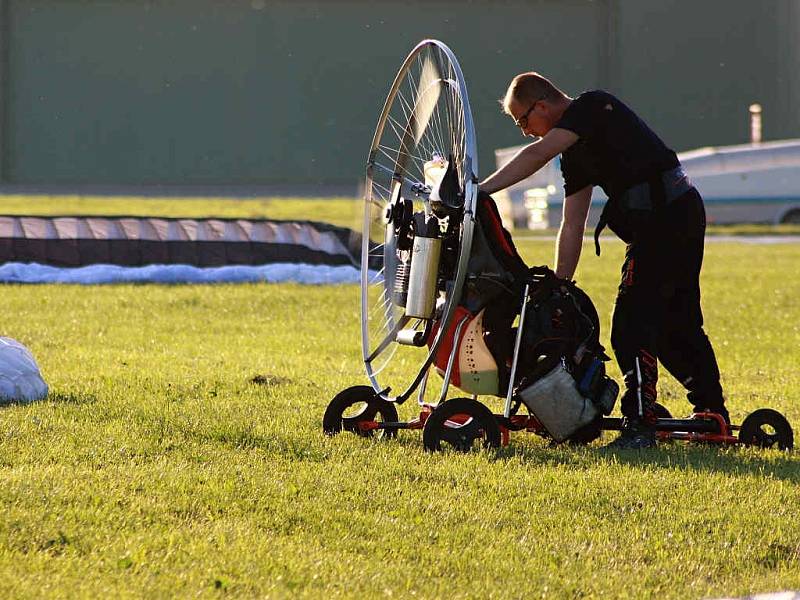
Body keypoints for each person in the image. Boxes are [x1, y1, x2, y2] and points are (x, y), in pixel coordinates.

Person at [479, 72, 727, 449]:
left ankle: (641, 422)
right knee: (675, 324)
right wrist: (561, 285)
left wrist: (478, 192)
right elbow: (572, 222)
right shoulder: (573, 153)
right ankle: (712, 415)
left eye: (523, 121)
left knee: (631, 323)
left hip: (669, 219)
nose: (525, 132)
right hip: (668, 221)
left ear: (541, 106)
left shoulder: (592, 106)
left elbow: (535, 154)